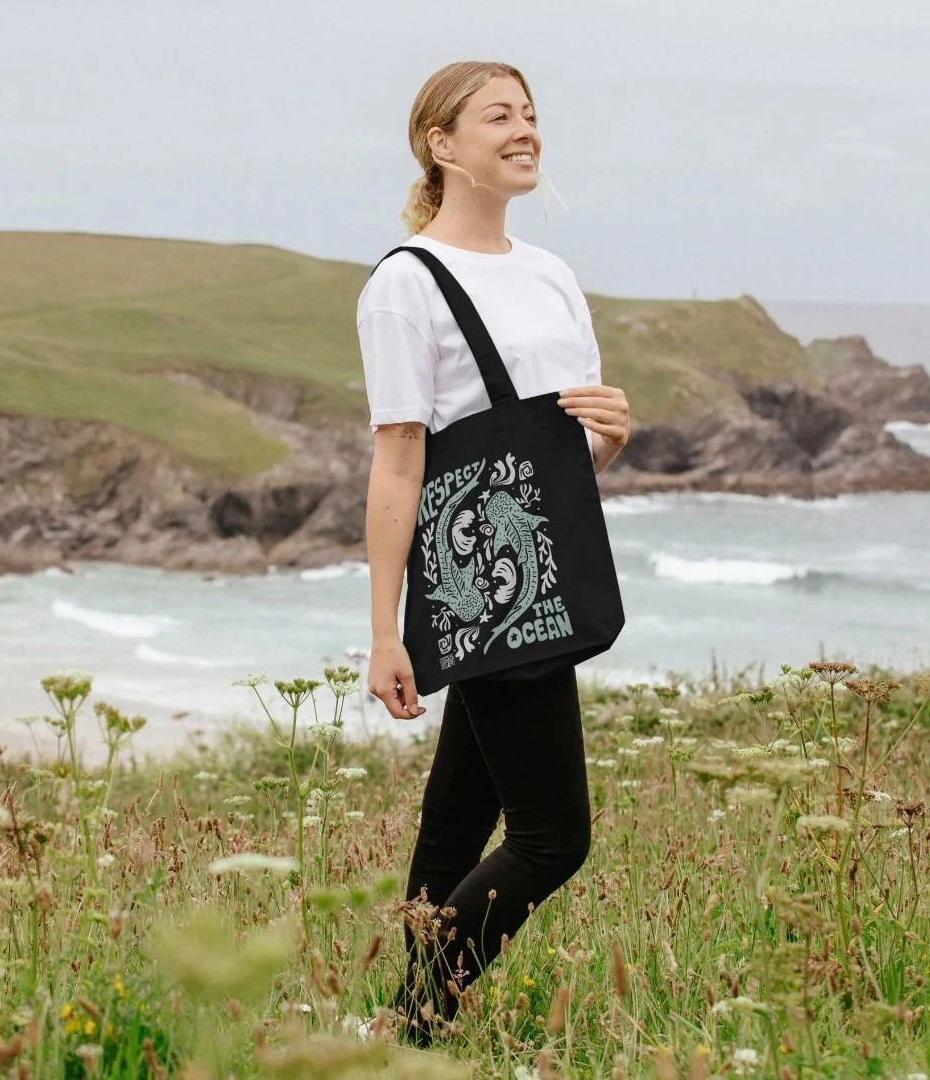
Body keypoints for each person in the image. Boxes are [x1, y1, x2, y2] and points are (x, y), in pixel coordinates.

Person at [355, 60, 631, 1043]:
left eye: (531, 114)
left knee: (457, 821)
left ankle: (407, 1042)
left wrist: (611, 437)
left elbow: (564, 456)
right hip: (477, 582)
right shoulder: (406, 284)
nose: (525, 131)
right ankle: (405, 1024)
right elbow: (398, 462)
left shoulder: (551, 275)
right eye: (499, 116)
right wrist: (385, 631)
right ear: (442, 144)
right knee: (553, 839)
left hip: (544, 563)